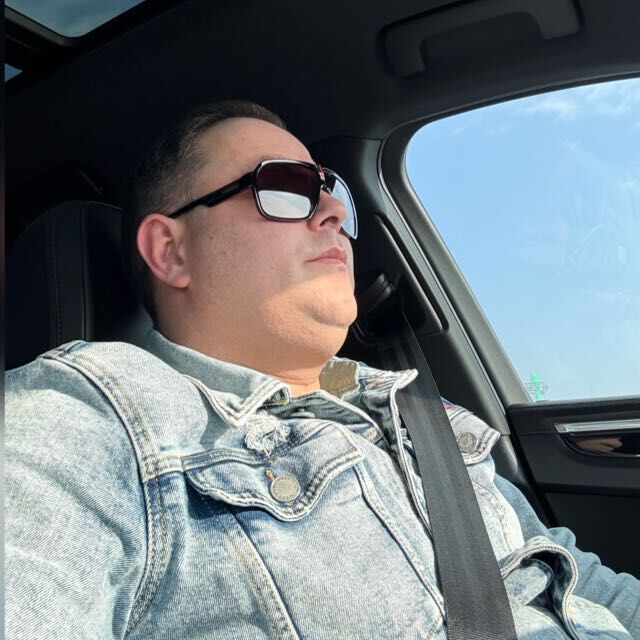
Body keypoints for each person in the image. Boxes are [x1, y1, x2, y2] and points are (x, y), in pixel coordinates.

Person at [5, 100, 639, 640]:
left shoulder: (419, 412)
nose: (333, 212)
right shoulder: (96, 416)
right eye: (285, 187)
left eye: (332, 192)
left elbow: (584, 583)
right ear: (170, 251)